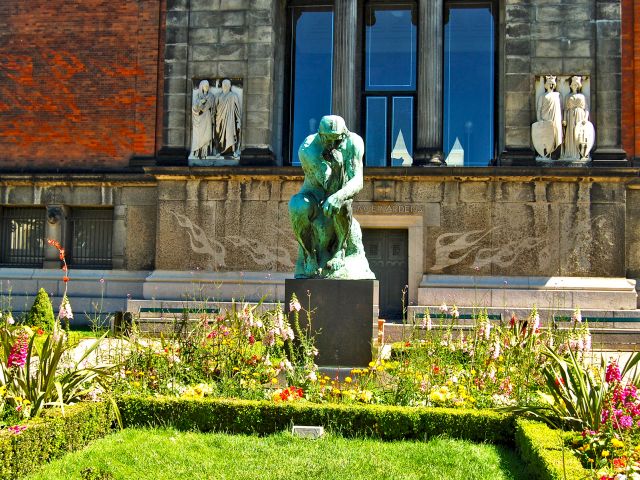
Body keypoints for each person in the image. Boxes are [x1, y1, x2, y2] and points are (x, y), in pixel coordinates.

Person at [289, 115, 375, 279]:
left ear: (345, 134)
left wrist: (339, 196)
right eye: (327, 140)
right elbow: (327, 184)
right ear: (320, 136)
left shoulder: (354, 142)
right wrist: (336, 165)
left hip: (338, 198)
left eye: (336, 140)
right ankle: (309, 256)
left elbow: (357, 180)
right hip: (313, 196)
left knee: (342, 201)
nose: (332, 144)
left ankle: (339, 252)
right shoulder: (308, 149)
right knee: (297, 205)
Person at [561, 76, 590, 160]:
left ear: (579, 85)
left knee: (579, 134)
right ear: (570, 85)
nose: (575, 86)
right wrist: (564, 119)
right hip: (570, 116)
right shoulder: (568, 96)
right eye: (573, 84)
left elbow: (586, 108)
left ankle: (580, 153)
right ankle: (570, 153)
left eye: (576, 84)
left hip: (580, 115)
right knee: (570, 133)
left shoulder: (582, 96)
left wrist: (585, 118)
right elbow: (565, 109)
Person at [535, 75, 563, 156]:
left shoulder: (558, 95)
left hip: (556, 119)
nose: (551, 86)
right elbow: (539, 109)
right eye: (549, 84)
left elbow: (561, 108)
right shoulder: (542, 96)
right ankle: (547, 152)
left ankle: (555, 153)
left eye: (552, 84)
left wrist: (563, 119)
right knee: (547, 137)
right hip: (546, 119)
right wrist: (539, 119)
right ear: (546, 85)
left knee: (556, 135)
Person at [214, 79, 242, 157]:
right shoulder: (218, 96)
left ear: (230, 86)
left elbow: (237, 110)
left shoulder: (233, 96)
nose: (225, 86)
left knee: (230, 134)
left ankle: (233, 151)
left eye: (227, 84)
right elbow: (215, 109)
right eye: (224, 84)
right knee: (219, 135)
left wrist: (238, 121)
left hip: (230, 119)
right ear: (222, 86)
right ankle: (219, 150)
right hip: (219, 120)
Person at [190, 80, 215, 159]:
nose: (207, 88)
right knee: (199, 136)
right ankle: (198, 152)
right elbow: (194, 108)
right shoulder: (198, 96)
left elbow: (211, 106)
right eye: (205, 86)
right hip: (199, 119)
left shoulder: (211, 96)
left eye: (208, 86)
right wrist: (200, 102)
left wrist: (203, 105)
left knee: (207, 134)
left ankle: (205, 152)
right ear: (202, 87)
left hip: (207, 117)